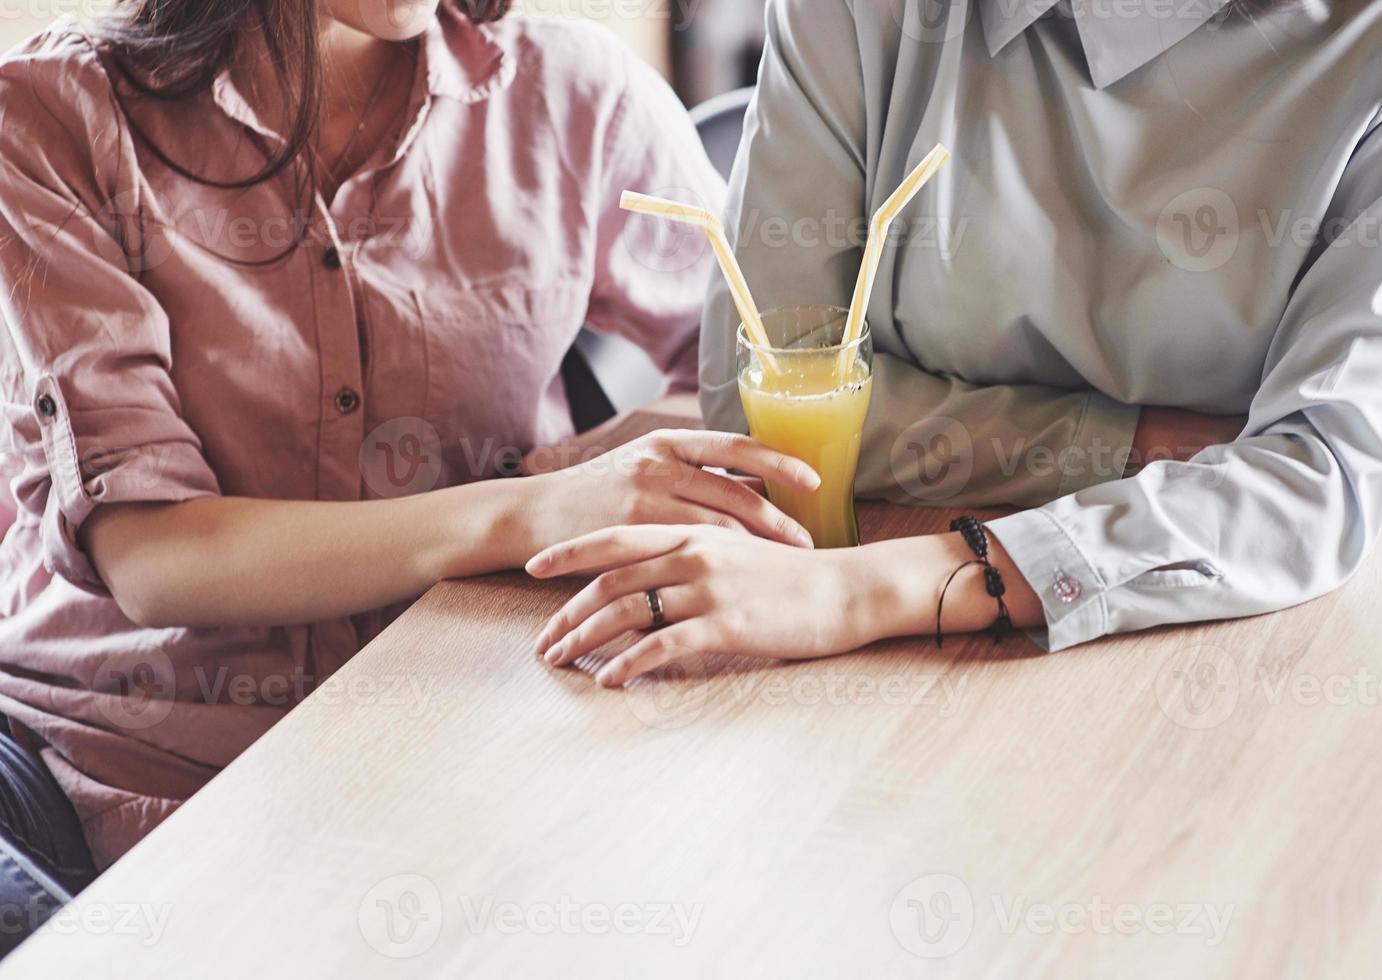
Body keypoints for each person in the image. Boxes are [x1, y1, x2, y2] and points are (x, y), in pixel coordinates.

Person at [0, 0, 819, 891]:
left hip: (480, 742)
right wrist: (535, 505)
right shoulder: (54, 114)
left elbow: (764, 377)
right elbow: (155, 557)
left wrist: (582, 466)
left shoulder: (577, 91)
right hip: (105, 780)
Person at [530, 0, 1382, 686]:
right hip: (909, 659)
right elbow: (764, 391)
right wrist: (1136, 443)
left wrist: (862, 593)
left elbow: (1316, 483)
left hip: (1264, 641)